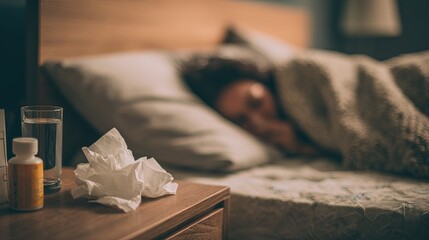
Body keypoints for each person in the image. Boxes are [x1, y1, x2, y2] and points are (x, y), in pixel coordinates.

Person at [182, 56, 323, 157]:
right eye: (241, 120)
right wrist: (299, 147)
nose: (258, 122)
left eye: (256, 102)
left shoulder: (295, 80)